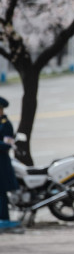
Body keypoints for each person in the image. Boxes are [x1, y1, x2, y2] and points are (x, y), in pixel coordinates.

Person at [0, 97, 20, 230]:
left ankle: (4, 219)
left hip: (2, 163)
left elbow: (7, 145)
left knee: (1, 192)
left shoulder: (6, 124)